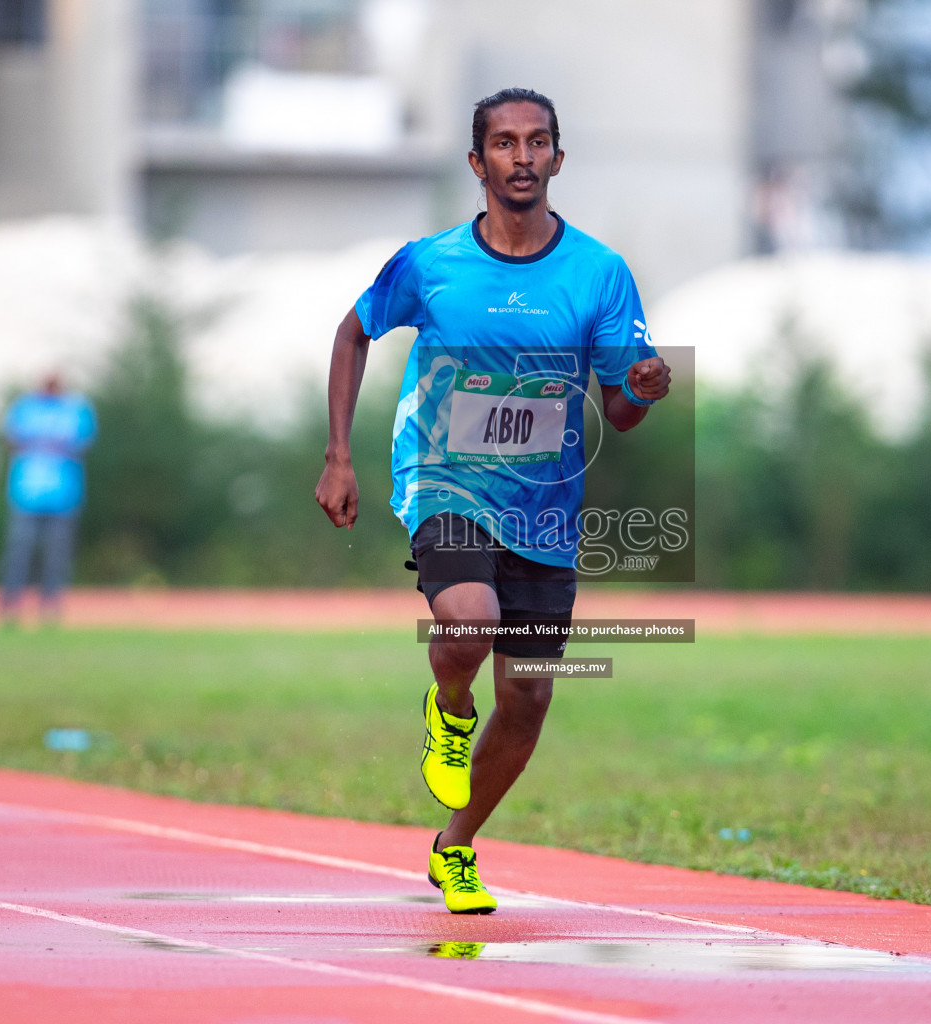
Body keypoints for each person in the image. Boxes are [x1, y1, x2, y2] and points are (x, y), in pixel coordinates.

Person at [315, 88, 671, 914]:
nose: (522, 156)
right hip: (444, 476)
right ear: (478, 163)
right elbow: (353, 332)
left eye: (537, 141)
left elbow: (620, 408)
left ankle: (456, 844)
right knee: (467, 617)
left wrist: (644, 390)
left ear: (557, 158)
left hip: (545, 507)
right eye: (505, 143)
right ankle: (448, 709)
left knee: (532, 697)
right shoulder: (429, 263)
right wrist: (339, 455)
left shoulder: (598, 273)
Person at [0, 372, 97, 624]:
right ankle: (10, 603)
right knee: (19, 551)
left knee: (57, 555)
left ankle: (50, 605)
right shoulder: (25, 408)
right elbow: (9, 439)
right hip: (27, 492)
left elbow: (85, 443)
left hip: (63, 495)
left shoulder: (76, 409)